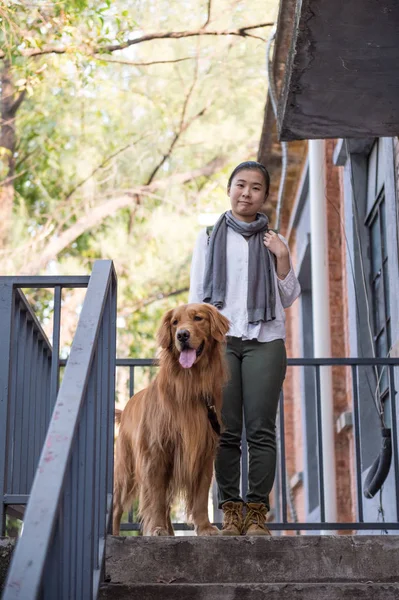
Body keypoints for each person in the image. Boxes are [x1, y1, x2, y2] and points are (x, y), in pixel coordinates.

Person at [188, 160, 301, 535]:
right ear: (229, 189)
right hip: (220, 345)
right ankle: (230, 511)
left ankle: (256, 511)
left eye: (255, 188)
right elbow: (195, 303)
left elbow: (288, 297)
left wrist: (282, 257)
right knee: (225, 429)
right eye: (240, 185)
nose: (246, 193)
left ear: (264, 196)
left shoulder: (273, 240)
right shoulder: (207, 238)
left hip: (265, 341)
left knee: (261, 429)